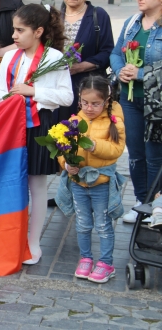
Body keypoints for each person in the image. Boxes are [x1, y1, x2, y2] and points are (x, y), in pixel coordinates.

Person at [0, 4, 73, 265]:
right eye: (13, 30)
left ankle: (33, 243)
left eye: (19, 30)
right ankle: (10, 237)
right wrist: (6, 98)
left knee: (37, 187)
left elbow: (67, 96)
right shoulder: (8, 57)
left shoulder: (54, 58)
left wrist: (34, 92)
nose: (13, 36)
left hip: (38, 125)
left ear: (38, 31)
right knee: (12, 185)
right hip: (11, 127)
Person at [56, 76, 126, 283]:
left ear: (106, 100)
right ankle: (86, 258)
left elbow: (116, 150)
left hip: (101, 182)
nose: (89, 108)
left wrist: (94, 146)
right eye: (85, 102)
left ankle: (106, 263)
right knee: (83, 224)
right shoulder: (75, 121)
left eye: (95, 103)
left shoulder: (114, 122)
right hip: (78, 182)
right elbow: (62, 148)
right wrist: (66, 164)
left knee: (103, 225)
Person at [110, 0, 162, 224]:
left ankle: (155, 205)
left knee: (154, 156)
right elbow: (115, 51)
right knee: (135, 154)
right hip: (130, 99)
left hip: (156, 102)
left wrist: (140, 73)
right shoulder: (132, 22)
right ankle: (141, 202)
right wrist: (121, 69)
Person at [58, 0, 114, 117]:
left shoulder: (98, 15)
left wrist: (80, 67)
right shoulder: (54, 17)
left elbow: (107, 52)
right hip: (59, 86)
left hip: (89, 87)